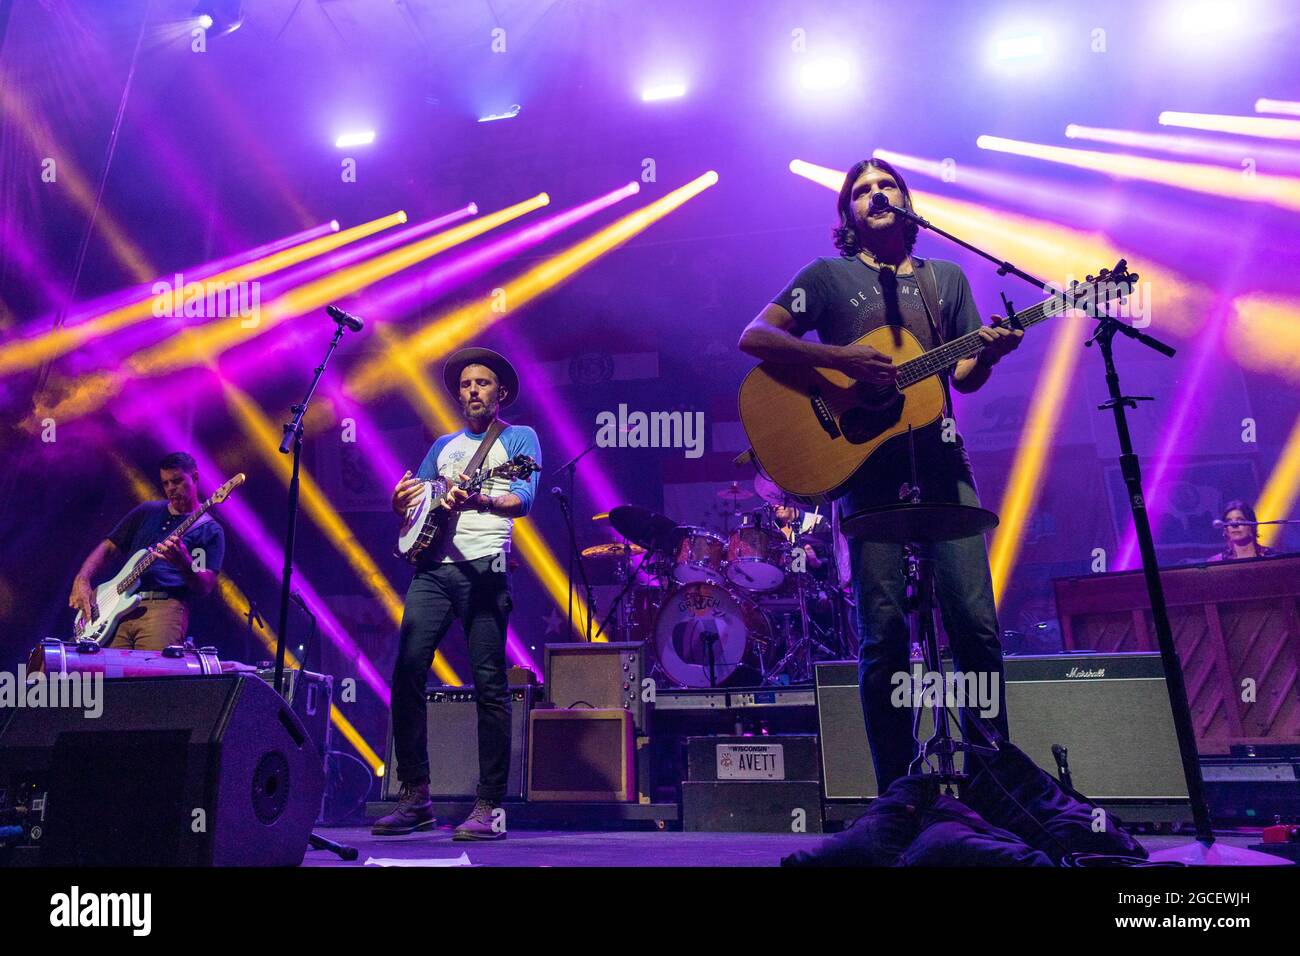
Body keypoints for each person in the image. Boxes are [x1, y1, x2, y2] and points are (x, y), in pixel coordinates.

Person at [738, 157, 1022, 790]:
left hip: (945, 466)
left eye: (886, 185)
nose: (875, 195)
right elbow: (755, 337)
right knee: (885, 635)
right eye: (861, 190)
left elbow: (966, 376)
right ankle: (900, 789)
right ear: (847, 214)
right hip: (865, 473)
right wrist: (840, 359)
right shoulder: (827, 278)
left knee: (975, 625)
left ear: (905, 200)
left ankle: (995, 780)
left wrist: (993, 353)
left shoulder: (945, 280)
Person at [373, 347, 540, 841]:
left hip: (484, 571)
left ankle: (488, 805)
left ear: (500, 392)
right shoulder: (444, 446)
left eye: (483, 382)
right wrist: (399, 499)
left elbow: (522, 500)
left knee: (489, 686)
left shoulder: (518, 439)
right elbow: (418, 502)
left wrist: (483, 497)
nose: (472, 389)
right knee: (406, 673)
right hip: (431, 571)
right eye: (466, 383)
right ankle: (415, 796)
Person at [68, 451, 224, 650]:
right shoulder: (147, 511)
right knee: (109, 674)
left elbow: (205, 586)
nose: (170, 489)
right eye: (165, 483)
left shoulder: (209, 529)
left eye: (176, 481)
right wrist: (82, 579)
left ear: (194, 477)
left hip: (163, 609)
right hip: (116, 607)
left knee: (149, 674)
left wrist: (184, 562)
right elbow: (107, 547)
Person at [1209, 500, 1277, 562]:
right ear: (1225, 529)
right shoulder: (1216, 562)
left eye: (1240, 520)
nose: (1234, 525)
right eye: (1229, 521)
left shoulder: (1273, 557)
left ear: (1253, 525)